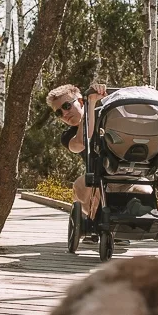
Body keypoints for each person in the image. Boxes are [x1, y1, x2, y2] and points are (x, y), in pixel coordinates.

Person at [46, 82, 107, 218]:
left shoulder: (106, 116)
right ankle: (97, 224)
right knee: (80, 185)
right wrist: (89, 107)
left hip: (127, 174)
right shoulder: (68, 136)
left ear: (80, 101)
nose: (64, 114)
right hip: (98, 181)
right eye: (59, 113)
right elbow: (81, 143)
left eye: (66, 106)